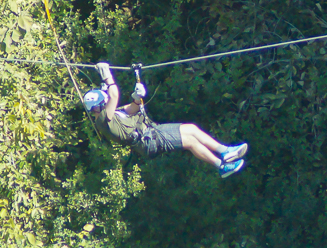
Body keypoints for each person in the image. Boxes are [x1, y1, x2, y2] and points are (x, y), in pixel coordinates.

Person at [83, 62, 247, 177]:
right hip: (147, 142)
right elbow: (114, 93)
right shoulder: (103, 121)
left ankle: (225, 151)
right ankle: (222, 167)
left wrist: (137, 96)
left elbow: (132, 108)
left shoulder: (112, 114)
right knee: (190, 141)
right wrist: (106, 74)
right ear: (99, 105)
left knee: (191, 128)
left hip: (151, 132)